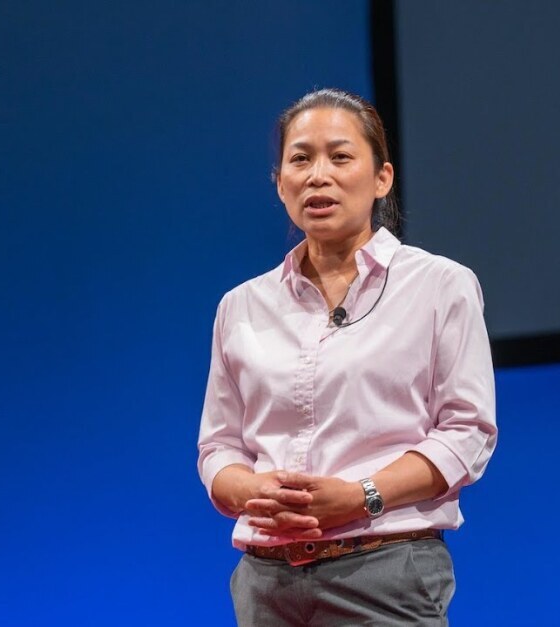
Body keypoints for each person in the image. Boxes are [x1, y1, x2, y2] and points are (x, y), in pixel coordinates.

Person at [197, 87, 497, 626]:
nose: (319, 176)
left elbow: (467, 432)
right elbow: (219, 446)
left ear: (382, 178)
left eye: (340, 156)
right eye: (300, 160)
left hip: (384, 572)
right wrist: (251, 490)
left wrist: (361, 496)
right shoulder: (240, 306)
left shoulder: (440, 285)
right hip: (266, 582)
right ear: (280, 183)